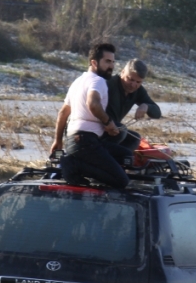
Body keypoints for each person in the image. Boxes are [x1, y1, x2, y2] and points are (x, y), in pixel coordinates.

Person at [49, 43, 130, 189]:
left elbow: (63, 113)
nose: (111, 66)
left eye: (113, 62)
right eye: (107, 61)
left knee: (125, 154)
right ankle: (73, 165)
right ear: (94, 62)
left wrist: (58, 141)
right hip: (85, 142)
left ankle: (78, 167)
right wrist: (108, 123)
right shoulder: (97, 81)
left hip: (75, 141)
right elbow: (93, 103)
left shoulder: (78, 82)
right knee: (121, 181)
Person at [102, 58, 162, 152]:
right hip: (97, 127)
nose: (133, 85)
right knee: (121, 131)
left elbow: (157, 113)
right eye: (130, 79)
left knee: (135, 139)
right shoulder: (108, 84)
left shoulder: (138, 91)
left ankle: (118, 163)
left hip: (114, 130)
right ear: (122, 72)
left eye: (138, 82)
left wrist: (146, 106)